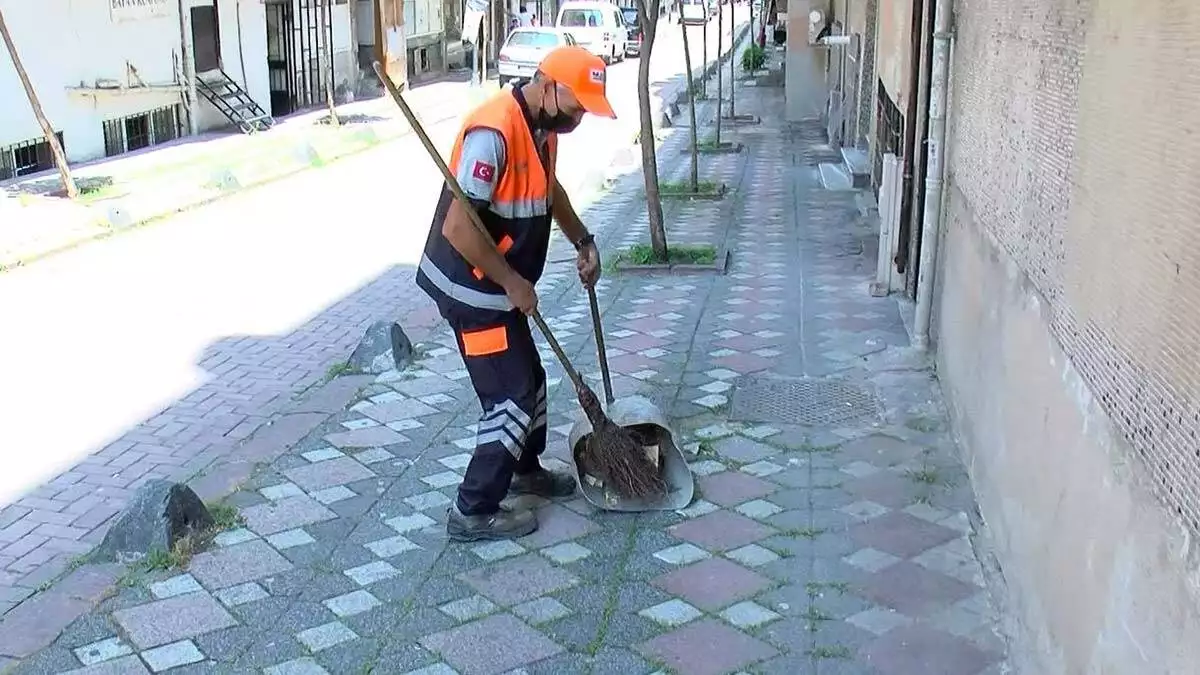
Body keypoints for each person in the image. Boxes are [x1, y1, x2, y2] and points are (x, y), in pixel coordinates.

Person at [415, 46, 614, 541]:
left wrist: (583, 239)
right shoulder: (493, 132)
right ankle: (473, 508)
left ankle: (526, 471)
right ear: (547, 87)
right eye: (576, 106)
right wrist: (511, 282)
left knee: (533, 381)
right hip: (471, 292)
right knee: (510, 398)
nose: (580, 117)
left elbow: (550, 193)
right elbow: (460, 228)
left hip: (501, 289)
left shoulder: (541, 130)